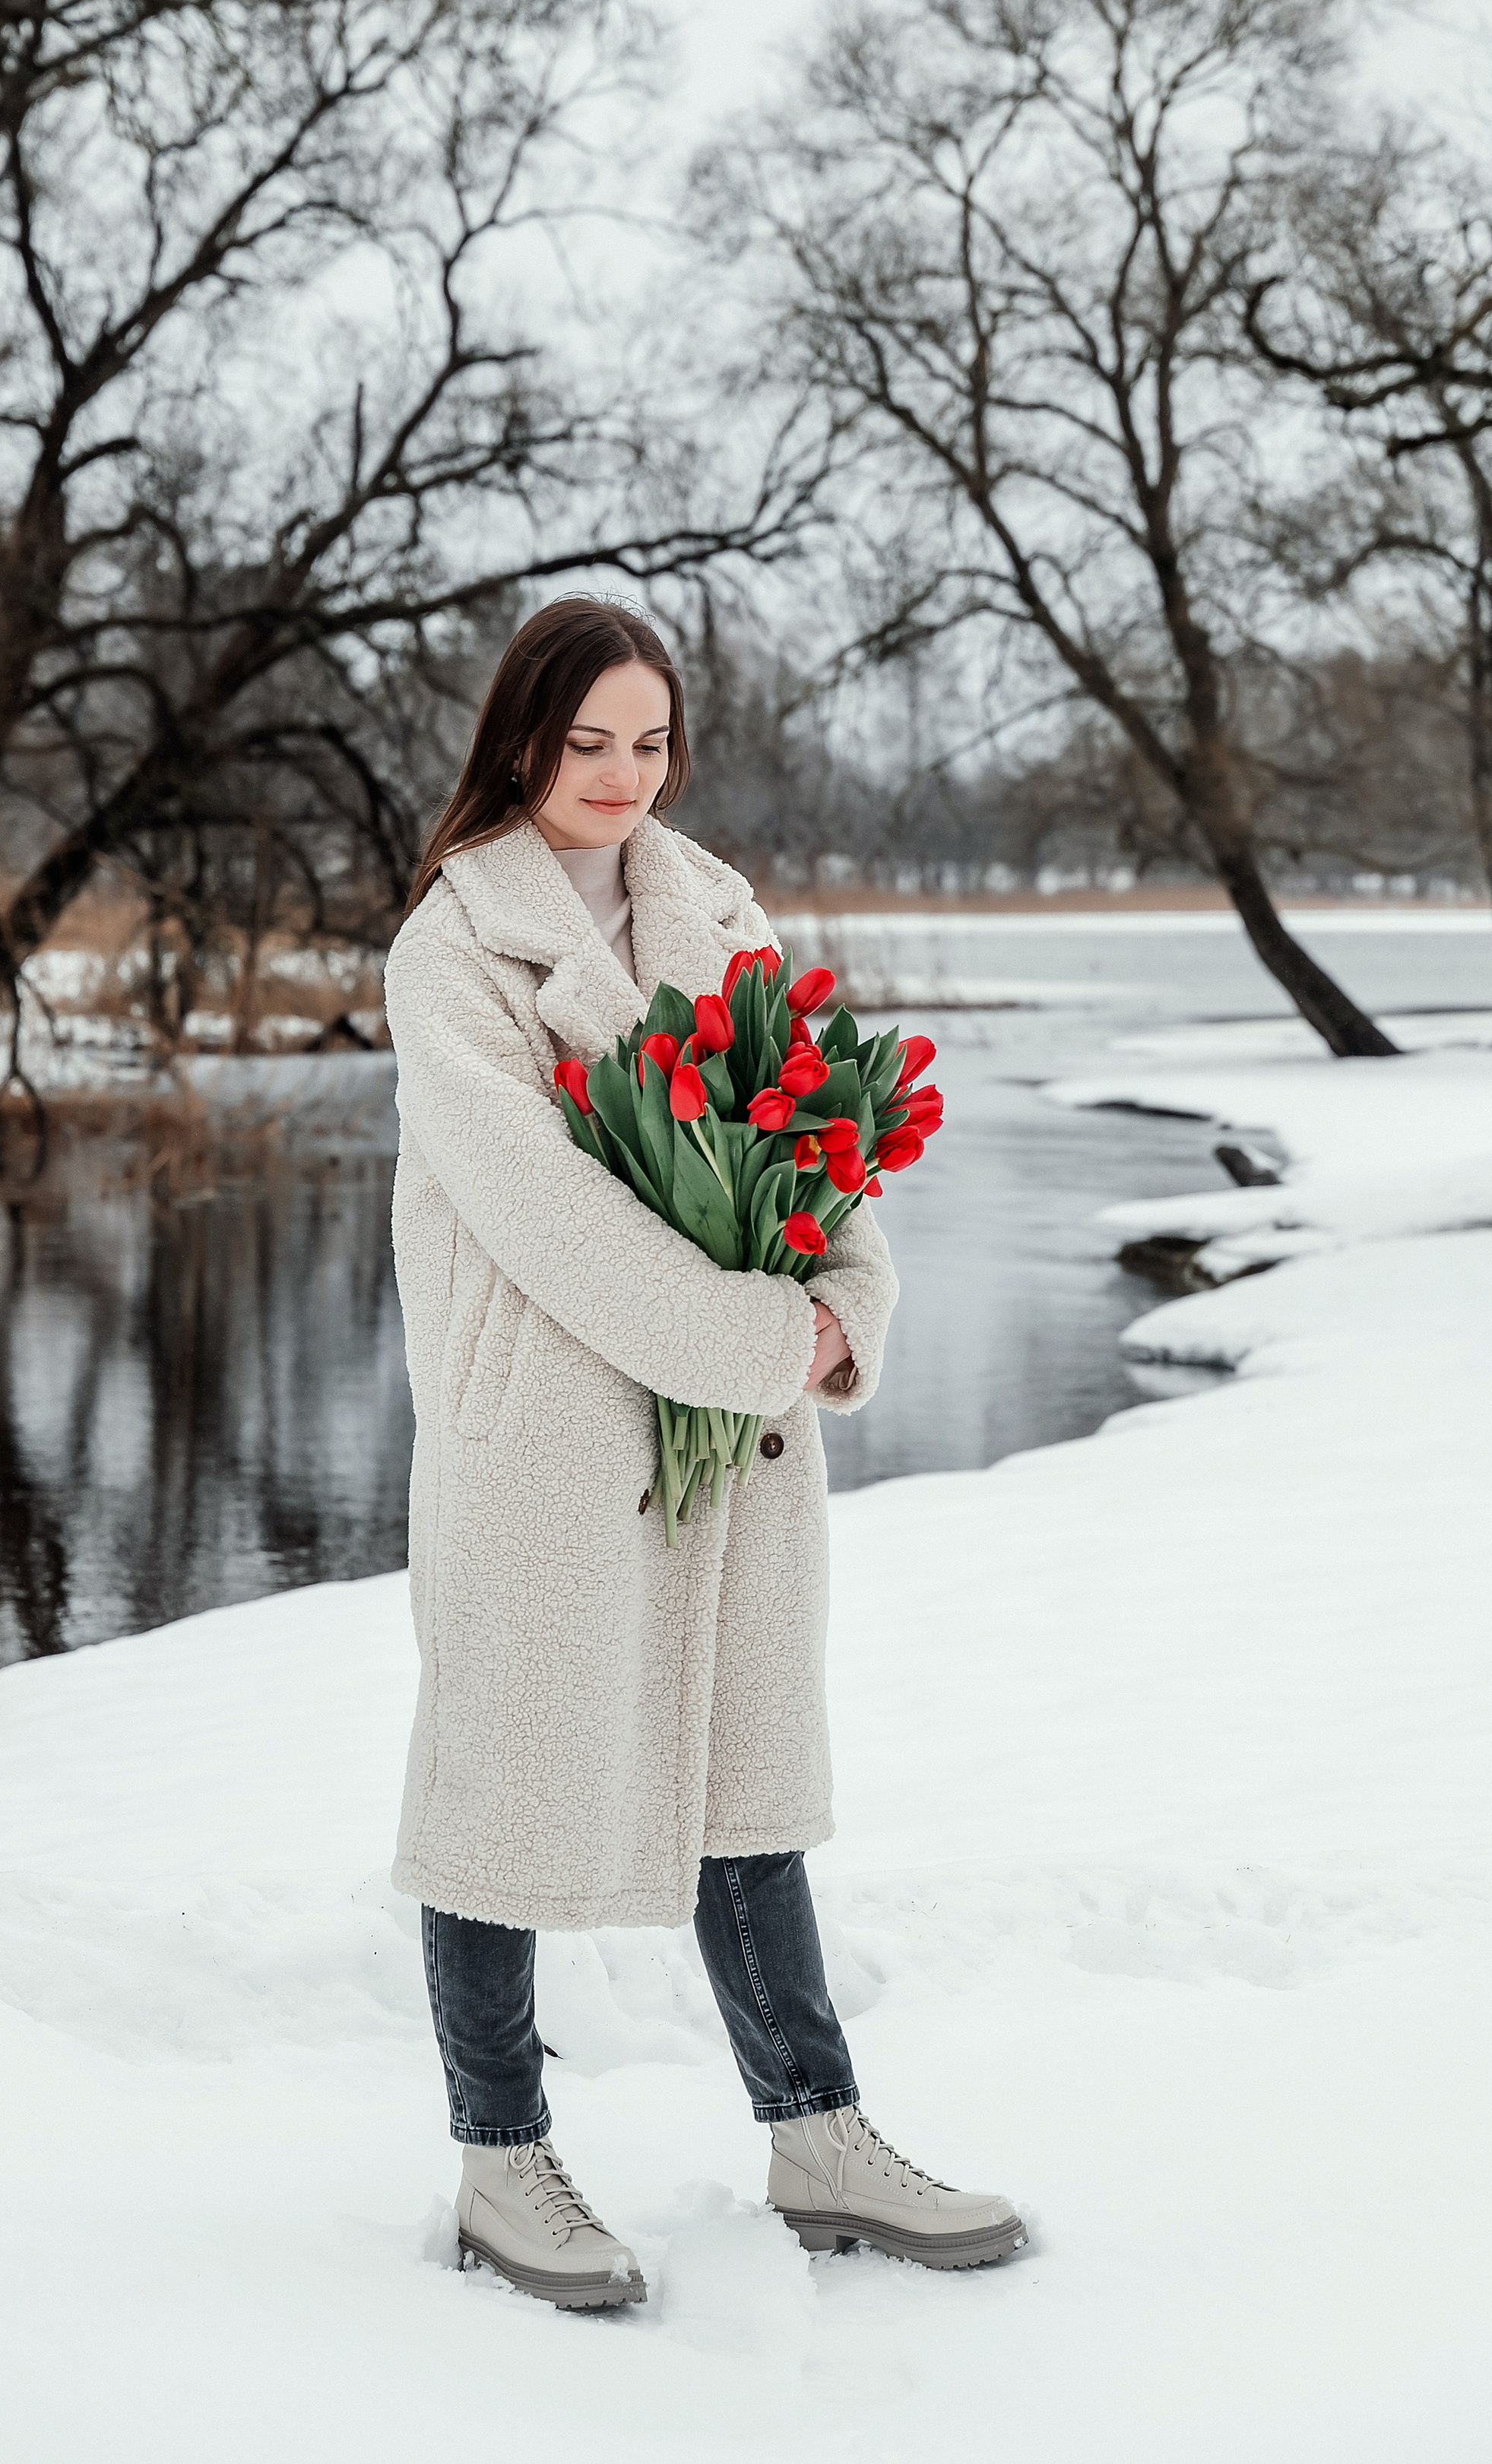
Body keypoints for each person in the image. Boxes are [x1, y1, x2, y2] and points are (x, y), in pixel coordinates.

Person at [383, 596, 1026, 2308]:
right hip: (544, 1431)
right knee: (496, 1786)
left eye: (648, 740)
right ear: (519, 737)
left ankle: (814, 2132)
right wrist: (763, 1339)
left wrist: (844, 1308)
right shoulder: (452, 952)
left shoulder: (714, 909)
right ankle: (499, 2160)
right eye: (585, 739)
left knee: (746, 1789)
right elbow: (548, 1217)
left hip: (726, 1442)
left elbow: (821, 1148)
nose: (620, 773)